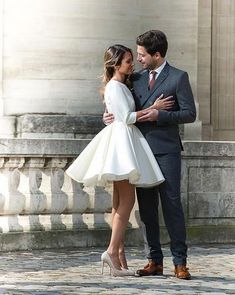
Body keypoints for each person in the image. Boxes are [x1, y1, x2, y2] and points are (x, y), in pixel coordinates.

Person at [66, 44, 173, 277]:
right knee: (126, 201)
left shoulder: (120, 85)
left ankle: (119, 254)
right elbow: (125, 118)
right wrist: (154, 108)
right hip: (122, 142)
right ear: (116, 64)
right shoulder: (115, 87)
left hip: (122, 139)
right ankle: (112, 251)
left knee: (118, 203)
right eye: (127, 61)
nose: (131, 63)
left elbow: (117, 114)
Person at [103, 30, 196, 279]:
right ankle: (154, 260)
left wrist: (160, 115)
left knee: (172, 205)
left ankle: (180, 262)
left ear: (157, 54)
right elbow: (119, 104)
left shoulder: (178, 77)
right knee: (146, 209)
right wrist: (107, 116)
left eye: (143, 55)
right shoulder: (135, 79)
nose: (139, 59)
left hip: (167, 152)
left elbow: (189, 114)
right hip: (139, 151)